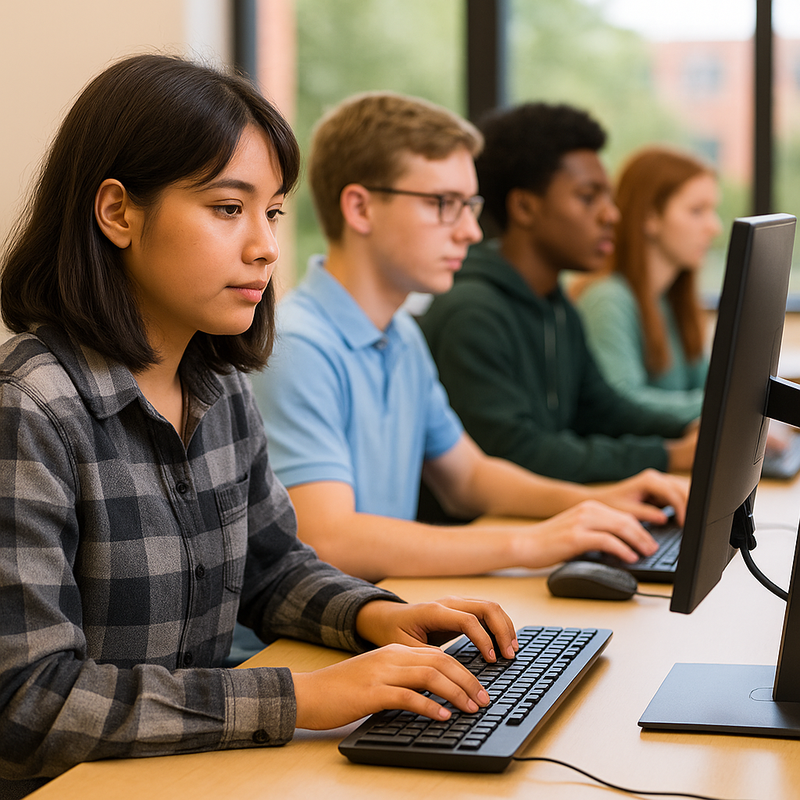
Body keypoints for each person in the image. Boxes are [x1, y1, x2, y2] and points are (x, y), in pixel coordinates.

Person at [0, 55, 520, 799]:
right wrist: (303, 698)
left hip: (202, 773)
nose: (266, 247)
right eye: (226, 208)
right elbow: (29, 703)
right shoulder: (31, 408)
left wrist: (379, 616)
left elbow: (270, 568)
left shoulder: (216, 387)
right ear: (117, 212)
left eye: (272, 211)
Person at [253, 91, 689, 587]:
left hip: (376, 616)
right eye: (445, 204)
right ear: (360, 208)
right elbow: (331, 541)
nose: (471, 232)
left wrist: (594, 503)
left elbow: (469, 478)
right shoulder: (298, 346)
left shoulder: (400, 336)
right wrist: (531, 543)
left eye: (471, 205)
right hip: (291, 649)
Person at [419, 102, 698, 485]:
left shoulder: (556, 304)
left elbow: (603, 411)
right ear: (525, 207)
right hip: (485, 530)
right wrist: (667, 456)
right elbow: (517, 453)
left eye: (608, 197)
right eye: (588, 196)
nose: (611, 215)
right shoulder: (472, 313)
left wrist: (697, 428)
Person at [572, 146, 721, 427]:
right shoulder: (608, 299)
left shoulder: (670, 301)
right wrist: (728, 409)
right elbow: (622, 401)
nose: (714, 226)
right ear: (650, 217)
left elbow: (709, 387)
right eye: (697, 211)